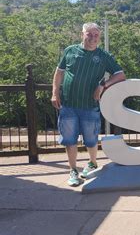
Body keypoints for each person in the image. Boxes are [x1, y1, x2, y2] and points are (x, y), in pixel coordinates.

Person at [51, 22, 126, 186]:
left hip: (90, 105)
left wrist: (103, 85)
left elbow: (120, 75)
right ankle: (73, 170)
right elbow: (59, 73)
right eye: (89, 34)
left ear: (99, 37)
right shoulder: (70, 51)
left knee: (91, 140)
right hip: (68, 105)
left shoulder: (103, 56)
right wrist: (55, 93)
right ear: (82, 34)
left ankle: (92, 163)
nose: (92, 38)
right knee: (69, 140)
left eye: (96, 35)